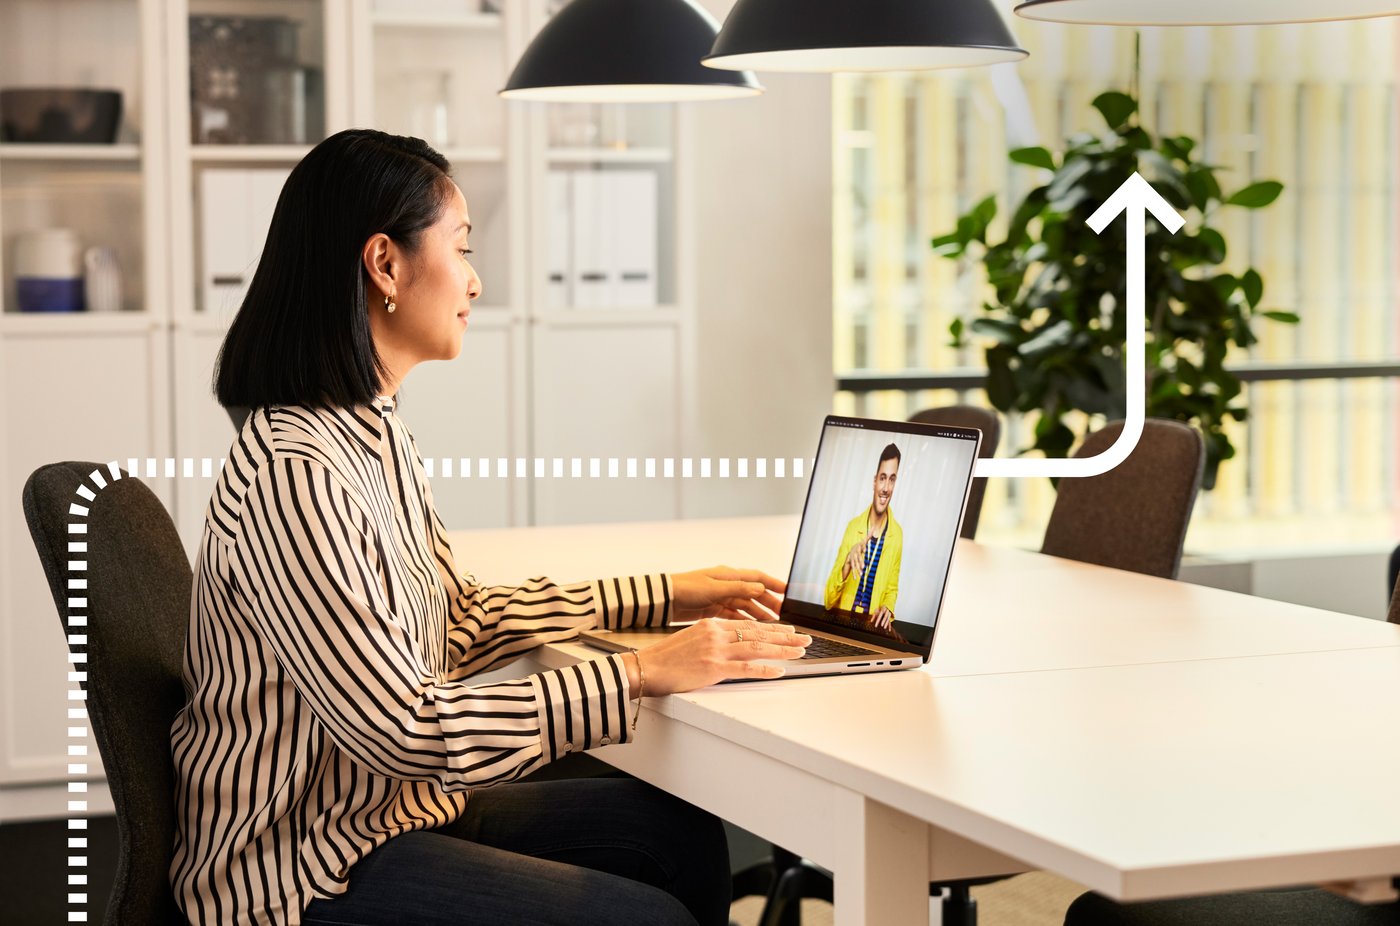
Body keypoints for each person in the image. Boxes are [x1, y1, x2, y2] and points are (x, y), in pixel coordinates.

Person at [168, 128, 812, 926]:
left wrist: (663, 596)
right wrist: (640, 673)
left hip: (386, 814)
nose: (474, 281)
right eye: (461, 248)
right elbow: (401, 730)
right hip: (299, 869)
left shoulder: (370, 429)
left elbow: (455, 617)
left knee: (677, 838)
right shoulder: (297, 471)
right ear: (385, 265)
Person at [823, 443, 903, 629]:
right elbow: (828, 600)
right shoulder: (853, 527)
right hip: (843, 625)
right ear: (874, 481)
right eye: (883, 478)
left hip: (871, 629)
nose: (886, 488)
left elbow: (892, 588)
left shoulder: (897, 534)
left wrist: (888, 608)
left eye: (891, 479)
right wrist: (847, 565)